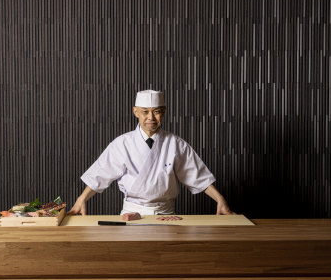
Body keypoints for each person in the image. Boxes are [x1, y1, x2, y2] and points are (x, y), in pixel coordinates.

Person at [68, 90, 233, 216]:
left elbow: (197, 176)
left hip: (166, 215)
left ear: (164, 111)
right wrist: (81, 200)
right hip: (131, 214)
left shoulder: (176, 144)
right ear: (135, 112)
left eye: (156, 111)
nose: (151, 117)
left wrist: (220, 200)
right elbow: (100, 175)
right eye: (145, 111)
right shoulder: (122, 143)